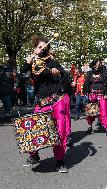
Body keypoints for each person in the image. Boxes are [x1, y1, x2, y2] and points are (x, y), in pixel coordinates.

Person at [22, 35, 71, 173]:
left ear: (47, 49)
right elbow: (22, 71)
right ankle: (34, 155)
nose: (41, 48)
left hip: (56, 99)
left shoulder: (52, 61)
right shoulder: (32, 63)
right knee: (36, 129)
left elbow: (63, 72)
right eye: (39, 46)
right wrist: (30, 58)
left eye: (44, 46)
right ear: (35, 48)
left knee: (59, 130)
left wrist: (57, 72)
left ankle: (60, 161)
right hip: (41, 101)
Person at [85, 58, 107, 135]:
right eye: (98, 63)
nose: (99, 64)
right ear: (94, 65)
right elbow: (87, 84)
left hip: (102, 95)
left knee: (104, 111)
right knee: (90, 112)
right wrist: (86, 93)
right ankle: (90, 126)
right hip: (92, 95)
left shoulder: (105, 73)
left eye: (100, 63)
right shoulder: (89, 73)